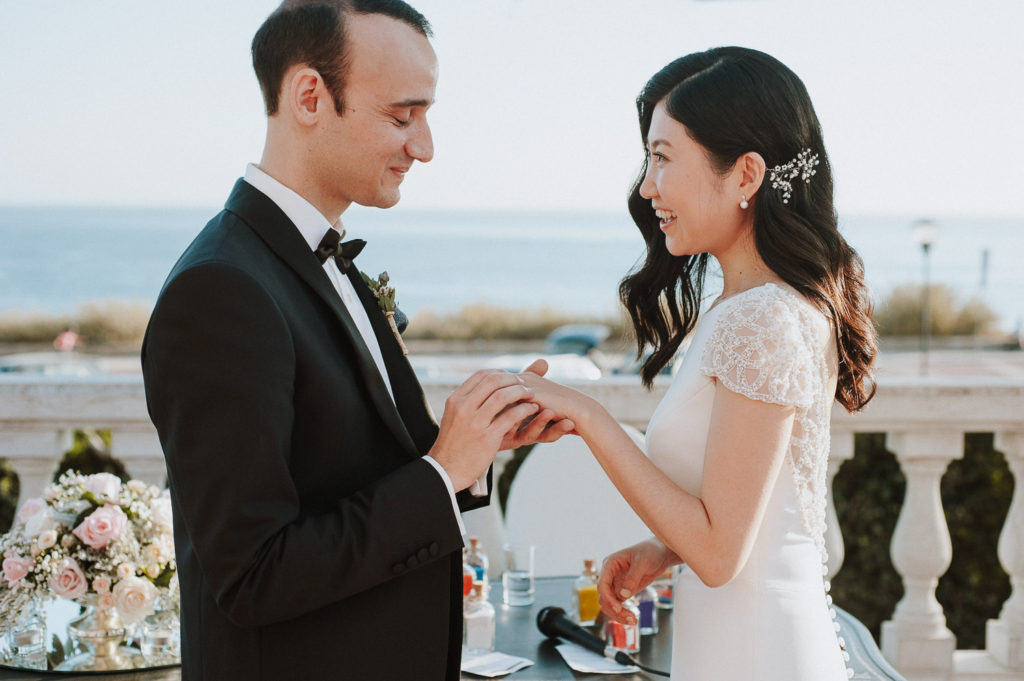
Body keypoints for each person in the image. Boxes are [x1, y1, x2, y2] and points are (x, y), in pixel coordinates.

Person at [141, 2, 572, 680]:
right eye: (403, 116)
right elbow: (254, 575)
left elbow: (346, 481)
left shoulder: (319, 260)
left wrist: (473, 447)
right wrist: (440, 473)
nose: (424, 145)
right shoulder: (220, 291)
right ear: (310, 95)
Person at [520, 47, 877, 680]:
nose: (647, 186)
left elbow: (719, 554)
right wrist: (665, 549)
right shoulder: (756, 306)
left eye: (662, 158)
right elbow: (754, 513)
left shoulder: (762, 318)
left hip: (758, 658)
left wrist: (586, 416)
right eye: (647, 160)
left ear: (745, 175)